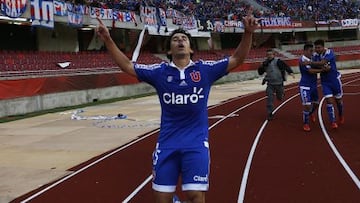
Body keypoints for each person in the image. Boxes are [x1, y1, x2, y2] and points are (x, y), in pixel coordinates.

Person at [95, 14, 258, 203]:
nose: (180, 41)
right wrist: (108, 39)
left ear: (190, 48)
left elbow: (237, 59)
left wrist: (248, 33)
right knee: (162, 198)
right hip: (167, 144)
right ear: (169, 51)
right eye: (175, 39)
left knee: (195, 196)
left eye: (184, 39)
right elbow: (127, 66)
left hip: (196, 144)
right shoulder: (159, 72)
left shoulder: (204, 70)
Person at [307, 39, 344, 129]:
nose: (317, 49)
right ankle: (333, 122)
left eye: (319, 47)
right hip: (325, 82)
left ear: (323, 47)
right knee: (329, 101)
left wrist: (313, 63)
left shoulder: (329, 52)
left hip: (334, 80)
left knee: (338, 101)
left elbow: (322, 62)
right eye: (316, 48)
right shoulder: (315, 55)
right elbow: (315, 66)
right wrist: (320, 66)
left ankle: (341, 115)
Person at [257, 49, 295, 120]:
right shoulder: (265, 63)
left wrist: (291, 72)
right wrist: (261, 67)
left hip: (279, 83)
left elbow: (285, 67)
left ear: (274, 55)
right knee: (269, 99)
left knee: (280, 97)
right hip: (270, 84)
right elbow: (260, 73)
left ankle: (281, 94)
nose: (269, 56)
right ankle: (270, 113)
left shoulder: (278, 61)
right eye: (267, 55)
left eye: (270, 54)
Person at [298, 43, 324, 131]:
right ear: (305, 51)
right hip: (305, 86)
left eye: (312, 51)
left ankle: (309, 113)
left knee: (316, 104)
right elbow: (310, 71)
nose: (312, 52)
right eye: (310, 51)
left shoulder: (312, 58)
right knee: (308, 105)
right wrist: (322, 70)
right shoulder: (302, 59)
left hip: (313, 85)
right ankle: (306, 123)